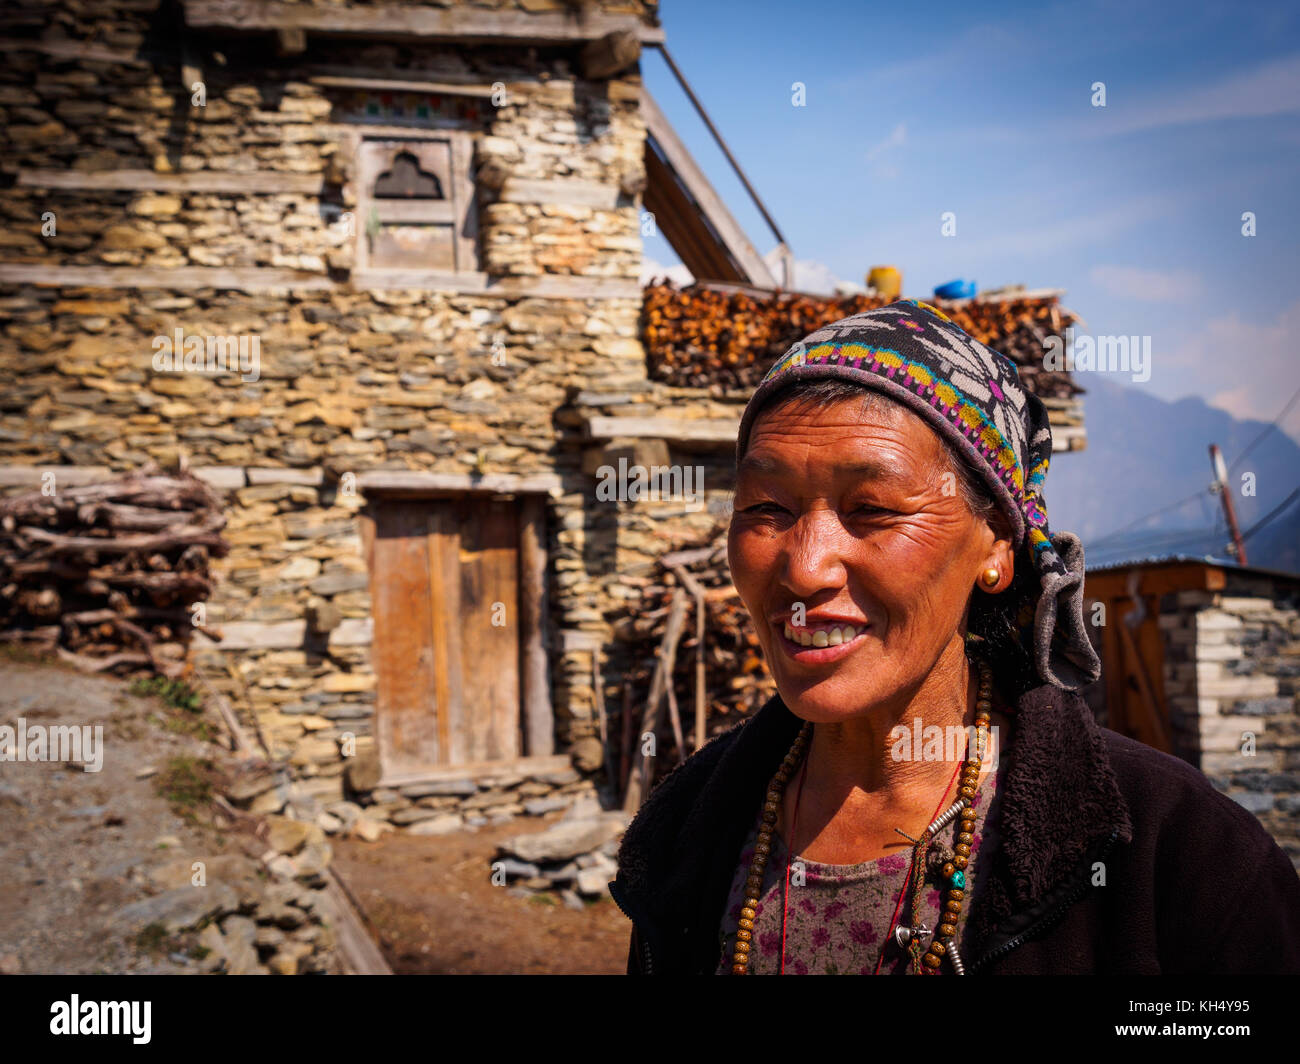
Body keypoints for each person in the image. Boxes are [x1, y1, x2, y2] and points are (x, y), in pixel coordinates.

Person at [609, 298, 1300, 975]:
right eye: (766, 507)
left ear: (997, 542)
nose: (804, 565)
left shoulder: (1177, 857)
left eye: (872, 509)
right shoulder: (688, 831)